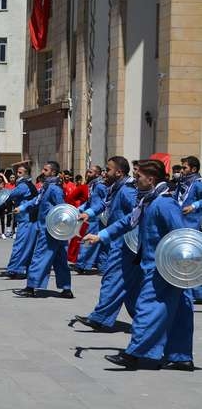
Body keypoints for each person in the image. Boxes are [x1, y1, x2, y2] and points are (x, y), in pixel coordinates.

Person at [84, 159, 194, 371]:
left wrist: (181, 267)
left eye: (139, 177)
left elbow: (181, 235)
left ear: (151, 179)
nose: (136, 181)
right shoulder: (149, 201)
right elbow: (128, 222)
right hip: (160, 266)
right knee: (180, 311)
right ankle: (181, 357)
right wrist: (102, 236)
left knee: (147, 308)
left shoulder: (164, 203)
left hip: (162, 268)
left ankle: (134, 354)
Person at [75, 156, 139, 331]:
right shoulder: (116, 189)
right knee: (129, 287)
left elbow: (137, 214)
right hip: (117, 242)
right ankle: (144, 321)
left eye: (108, 169)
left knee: (111, 279)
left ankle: (99, 318)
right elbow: (104, 204)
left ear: (119, 172)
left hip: (124, 244)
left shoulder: (127, 191)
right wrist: (87, 213)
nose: (105, 173)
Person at [13, 161, 73, 298]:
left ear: (53, 172)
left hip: (50, 230)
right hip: (54, 230)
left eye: (45, 170)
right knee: (60, 259)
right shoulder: (48, 187)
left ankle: (31, 287)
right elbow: (37, 200)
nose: (43, 172)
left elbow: (61, 208)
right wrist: (22, 208)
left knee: (39, 256)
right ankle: (66, 289)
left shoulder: (54, 189)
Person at [1, 165, 38, 279]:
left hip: (26, 219)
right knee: (27, 245)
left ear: (26, 174)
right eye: (18, 172)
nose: (18, 175)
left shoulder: (23, 186)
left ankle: (15, 269)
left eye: (20, 173)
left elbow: (9, 194)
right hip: (28, 218)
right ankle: (21, 269)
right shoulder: (28, 185)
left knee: (20, 245)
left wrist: (0, 193)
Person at [175, 156, 202, 303]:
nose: (182, 170)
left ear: (194, 169)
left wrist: (194, 206)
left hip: (193, 224)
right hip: (182, 222)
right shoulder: (183, 182)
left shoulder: (197, 183)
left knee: (192, 258)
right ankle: (195, 292)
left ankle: (195, 292)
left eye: (185, 168)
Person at [75, 166, 108, 274]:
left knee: (89, 242)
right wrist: (79, 210)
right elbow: (90, 202)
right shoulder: (92, 186)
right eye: (88, 171)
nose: (87, 174)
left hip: (98, 218)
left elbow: (105, 202)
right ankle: (99, 266)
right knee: (97, 242)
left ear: (97, 174)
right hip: (91, 217)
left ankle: (82, 264)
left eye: (90, 172)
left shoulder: (100, 186)